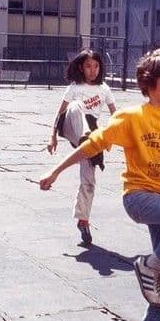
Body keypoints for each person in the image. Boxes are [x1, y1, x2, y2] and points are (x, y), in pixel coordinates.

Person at [40, 48, 160, 321]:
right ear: (148, 84)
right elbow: (92, 145)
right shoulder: (132, 117)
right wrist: (56, 171)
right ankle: (148, 264)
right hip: (140, 198)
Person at [46, 49, 117, 245]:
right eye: (88, 66)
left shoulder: (104, 89)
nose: (93, 70)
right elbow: (59, 113)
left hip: (91, 132)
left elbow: (115, 115)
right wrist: (52, 137)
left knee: (89, 181)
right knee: (76, 106)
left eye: (96, 66)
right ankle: (86, 137)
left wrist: (116, 135)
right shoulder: (74, 88)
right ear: (81, 67)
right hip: (71, 124)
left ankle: (83, 220)